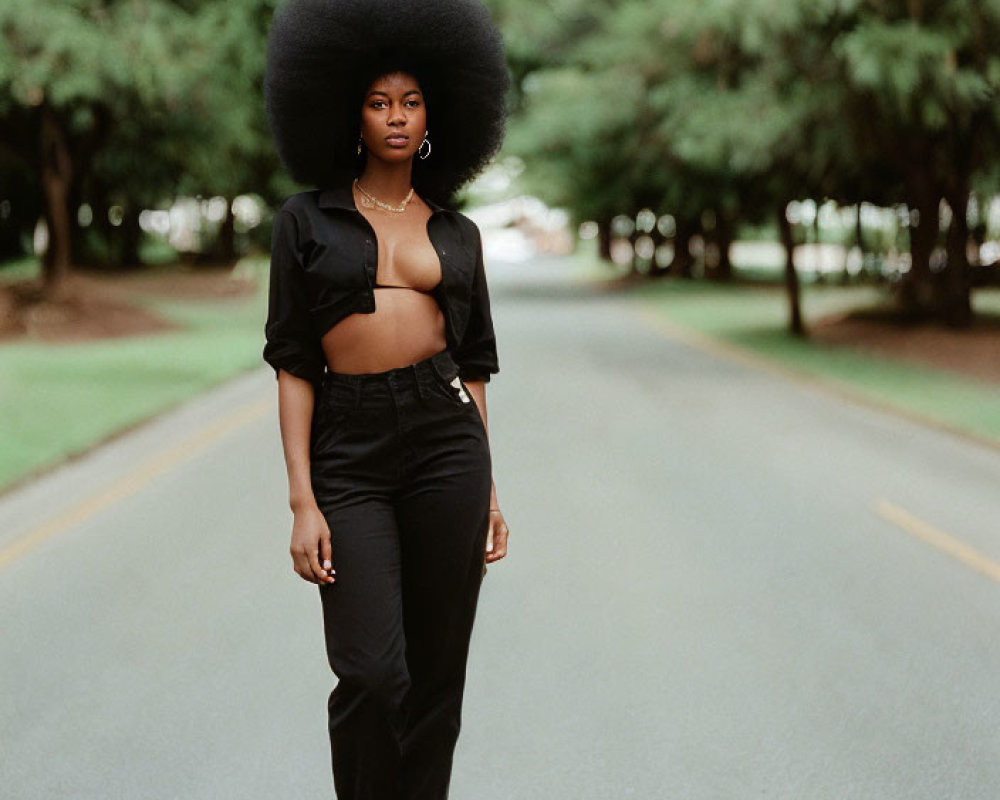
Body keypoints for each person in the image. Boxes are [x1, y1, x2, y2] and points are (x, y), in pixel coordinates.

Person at [261, 0, 511, 797]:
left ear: (435, 115)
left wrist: (493, 487)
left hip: (447, 443)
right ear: (352, 114)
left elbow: (472, 365)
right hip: (351, 447)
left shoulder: (456, 232)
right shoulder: (306, 221)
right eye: (379, 102)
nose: (396, 118)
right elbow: (294, 362)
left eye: (410, 102)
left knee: (437, 681)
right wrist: (303, 499)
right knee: (372, 674)